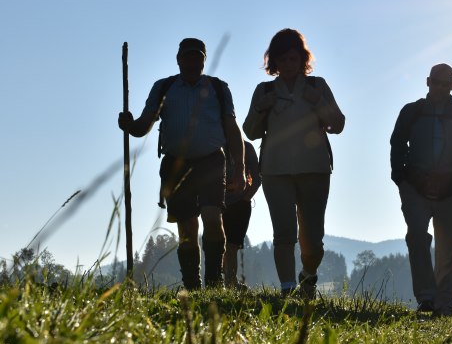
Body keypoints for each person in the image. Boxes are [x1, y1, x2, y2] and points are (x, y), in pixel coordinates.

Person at [118, 38, 245, 290]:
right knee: (187, 226)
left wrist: (239, 168)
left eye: (197, 57)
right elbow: (145, 124)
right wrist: (129, 125)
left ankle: (214, 282)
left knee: (212, 218)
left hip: (211, 161)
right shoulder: (164, 88)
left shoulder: (219, 88)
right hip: (175, 163)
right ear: (178, 59)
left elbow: (232, 129)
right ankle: (192, 285)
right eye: (187, 57)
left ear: (204, 60)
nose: (192, 62)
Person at [243, 28, 345, 299]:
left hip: (315, 170)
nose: (288, 64)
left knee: (313, 242)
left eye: (293, 58)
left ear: (302, 59)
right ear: (273, 62)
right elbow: (250, 132)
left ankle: (307, 278)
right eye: (282, 59)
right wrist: (261, 107)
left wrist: (319, 102)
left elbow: (338, 124)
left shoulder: (317, 86)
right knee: (284, 234)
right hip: (276, 172)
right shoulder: (264, 91)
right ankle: (288, 289)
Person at [390, 63, 452, 317]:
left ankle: (443, 307)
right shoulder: (412, 111)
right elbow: (397, 143)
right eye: (437, 82)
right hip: (415, 187)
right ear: (428, 81)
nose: (441, 88)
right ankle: (427, 298)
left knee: (447, 248)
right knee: (417, 238)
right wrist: (401, 179)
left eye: (447, 84)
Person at [222, 140, 262, 289]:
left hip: (236, 204)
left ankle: (228, 282)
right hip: (225, 203)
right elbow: (257, 180)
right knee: (229, 245)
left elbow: (257, 180)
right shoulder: (215, 144)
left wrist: (244, 200)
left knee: (229, 245)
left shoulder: (247, 147)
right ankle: (228, 282)